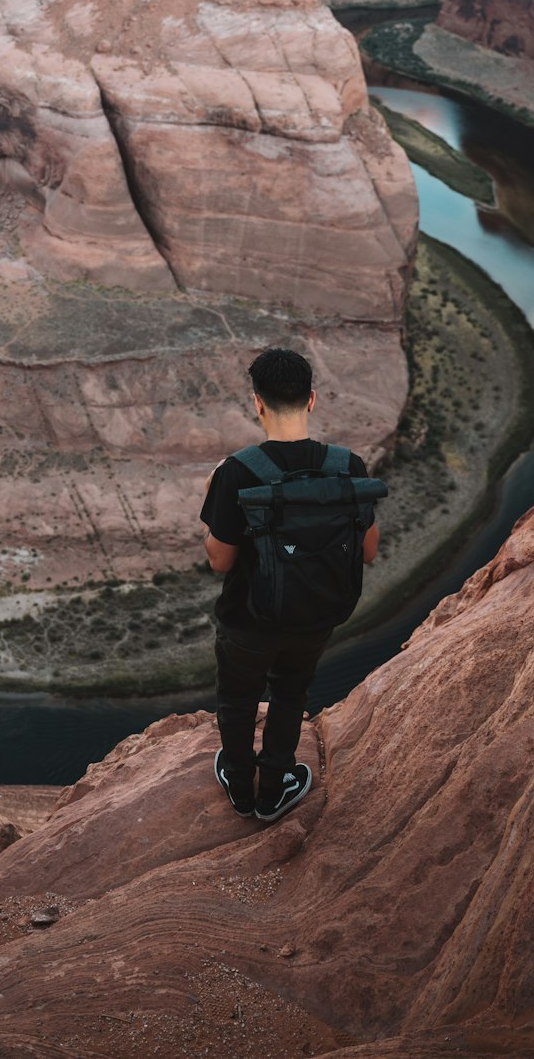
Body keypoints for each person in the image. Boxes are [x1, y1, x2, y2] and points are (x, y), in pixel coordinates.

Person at [200, 347, 379, 823]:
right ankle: (274, 788)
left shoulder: (236, 472)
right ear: (313, 399)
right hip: (316, 615)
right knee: (290, 694)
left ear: (257, 403)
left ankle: (240, 786)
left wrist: (210, 498)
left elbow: (219, 560)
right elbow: (368, 550)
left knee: (237, 700)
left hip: (247, 622)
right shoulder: (348, 467)